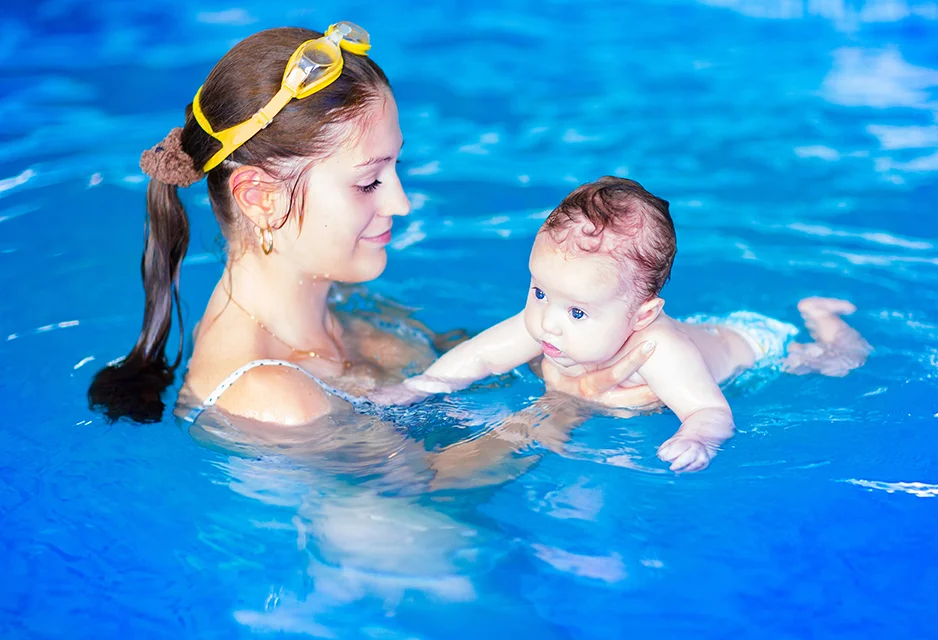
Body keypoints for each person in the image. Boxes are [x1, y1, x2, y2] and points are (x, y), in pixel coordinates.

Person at [87, 23, 657, 451]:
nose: (401, 202)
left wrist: (573, 356)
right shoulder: (267, 396)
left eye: (395, 169)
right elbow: (422, 493)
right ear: (261, 198)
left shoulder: (333, 305)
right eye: (368, 182)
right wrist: (565, 408)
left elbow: (458, 363)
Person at [371, 177, 872, 472]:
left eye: (577, 311)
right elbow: (478, 356)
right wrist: (418, 387)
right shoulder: (552, 319)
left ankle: (821, 319)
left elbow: (708, 408)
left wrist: (699, 437)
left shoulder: (659, 348)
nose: (547, 319)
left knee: (836, 365)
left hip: (757, 347)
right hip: (703, 330)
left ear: (641, 317)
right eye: (539, 290)